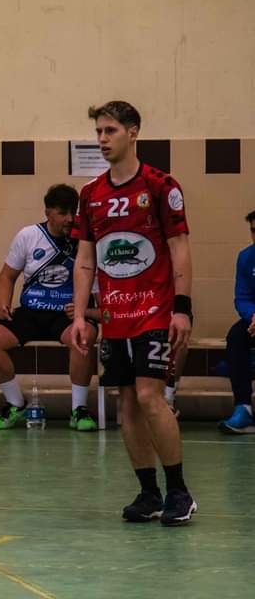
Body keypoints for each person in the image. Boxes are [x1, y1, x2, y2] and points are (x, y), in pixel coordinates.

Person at [71, 100, 196, 526]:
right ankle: (149, 493)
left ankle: (180, 491)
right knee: (125, 403)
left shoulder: (161, 186)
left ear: (133, 132)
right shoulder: (90, 196)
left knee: (148, 395)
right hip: (115, 315)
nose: (103, 140)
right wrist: (79, 317)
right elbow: (85, 259)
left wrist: (182, 308)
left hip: (155, 310)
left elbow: (179, 247)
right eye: (99, 133)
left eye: (110, 131)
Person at [0, 184, 100, 431]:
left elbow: (99, 290)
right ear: (48, 212)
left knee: (84, 336)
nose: (69, 219)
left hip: (68, 315)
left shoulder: (85, 241)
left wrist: (85, 313)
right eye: (63, 213)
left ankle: (79, 409)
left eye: (73, 213)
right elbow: (7, 277)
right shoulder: (28, 235)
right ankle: (16, 404)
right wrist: (2, 303)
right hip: (32, 312)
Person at [218, 209, 255, 434]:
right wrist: (253, 317)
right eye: (253, 231)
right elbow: (242, 297)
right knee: (235, 335)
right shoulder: (246, 257)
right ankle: (244, 409)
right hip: (254, 320)